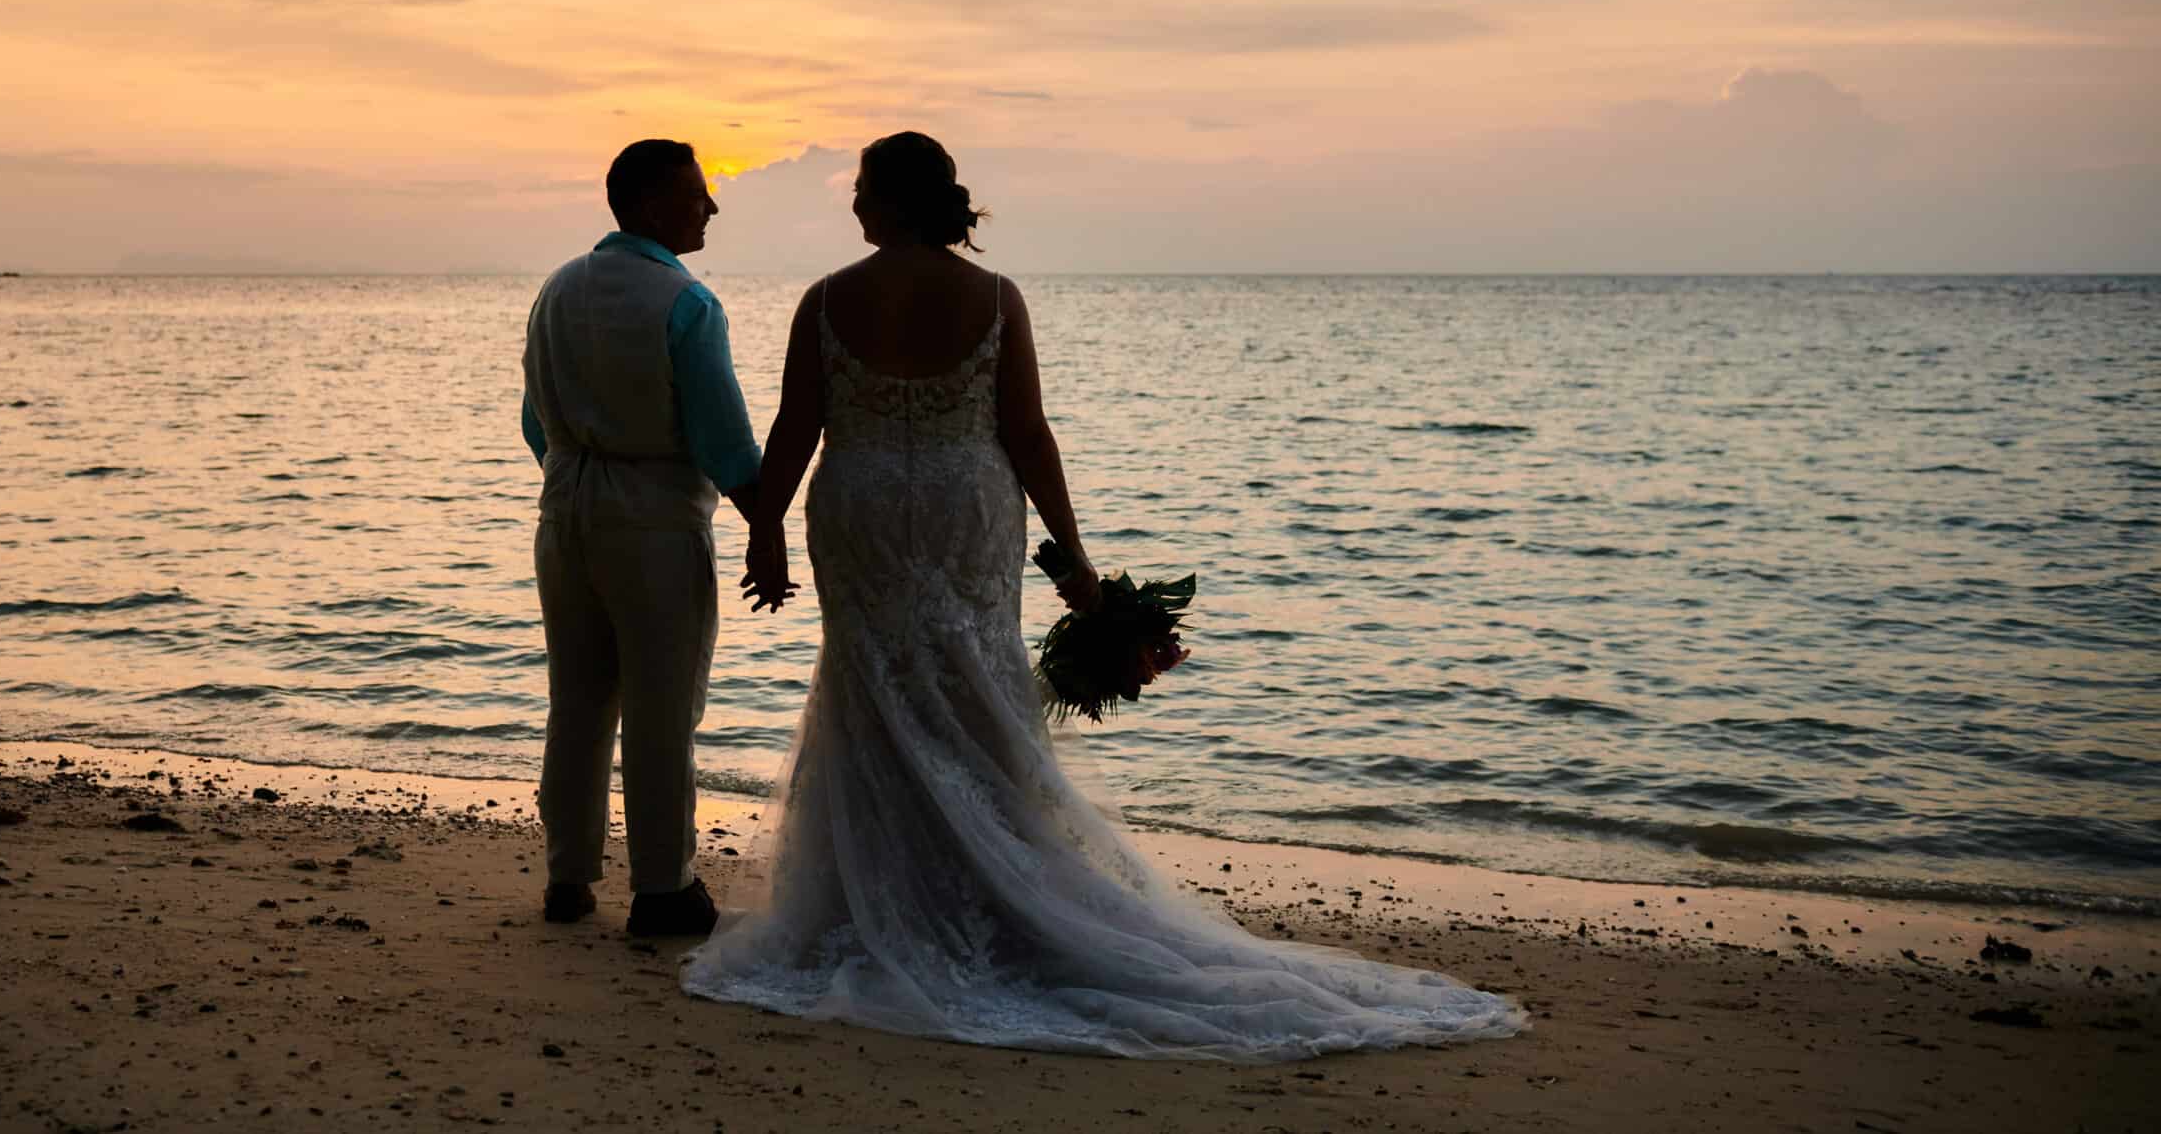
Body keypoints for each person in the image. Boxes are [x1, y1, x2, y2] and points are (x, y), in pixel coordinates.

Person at [682, 131, 1527, 1059]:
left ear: (888, 201)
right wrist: (1074, 558)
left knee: (872, 683)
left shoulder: (827, 299)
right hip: (968, 504)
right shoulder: (994, 298)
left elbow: (796, 426)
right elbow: (1028, 433)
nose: (850, 202)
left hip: (864, 507)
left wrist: (764, 533)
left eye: (859, 187)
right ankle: (992, 892)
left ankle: (878, 898)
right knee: (972, 681)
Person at [521, 139, 762, 937]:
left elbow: (534, 420)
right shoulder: (685, 302)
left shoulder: (557, 290)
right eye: (699, 195)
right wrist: (771, 524)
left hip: (566, 514)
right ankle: (663, 885)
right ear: (656, 206)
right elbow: (725, 441)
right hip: (655, 519)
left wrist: (577, 474)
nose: (712, 208)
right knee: (662, 709)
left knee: (579, 700)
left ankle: (567, 877)